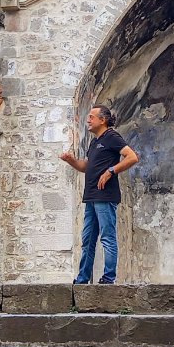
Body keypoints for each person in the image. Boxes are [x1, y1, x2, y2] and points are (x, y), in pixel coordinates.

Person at [60, 105, 139, 285]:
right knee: (87, 240)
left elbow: (132, 157)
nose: (88, 120)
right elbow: (85, 167)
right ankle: (82, 279)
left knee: (107, 237)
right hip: (91, 197)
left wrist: (111, 171)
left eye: (91, 117)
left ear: (102, 120)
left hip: (105, 197)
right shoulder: (95, 142)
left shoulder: (111, 137)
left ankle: (108, 278)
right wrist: (71, 160)